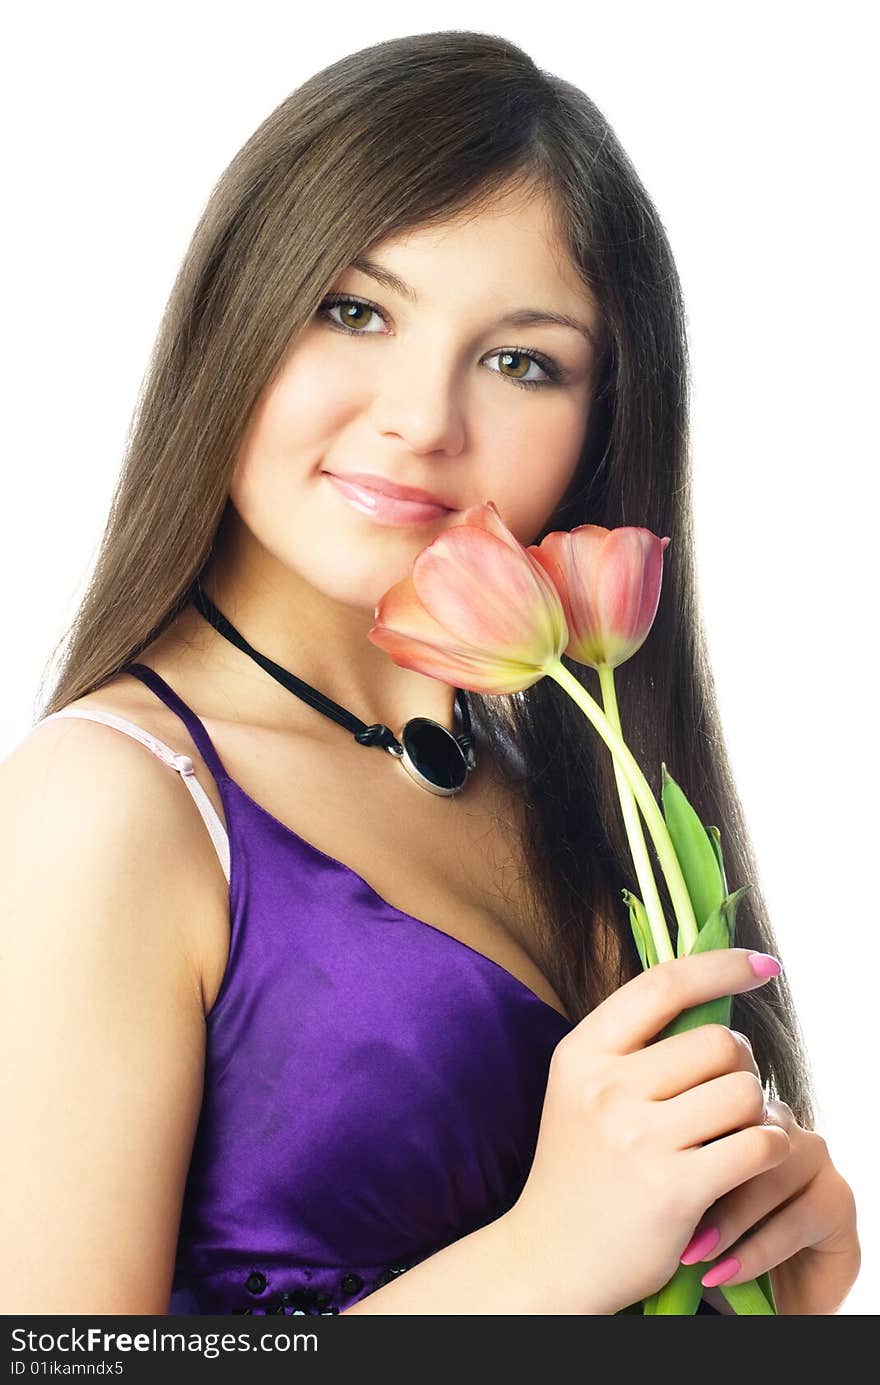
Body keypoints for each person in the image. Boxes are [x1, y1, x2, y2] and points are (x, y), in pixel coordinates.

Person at [0, 31, 859, 1317]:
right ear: (234, 314)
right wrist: (545, 1256)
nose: (421, 417)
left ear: (601, 425)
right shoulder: (110, 800)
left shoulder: (574, 777)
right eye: (353, 310)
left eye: (521, 360)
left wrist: (777, 1280)